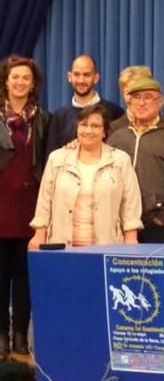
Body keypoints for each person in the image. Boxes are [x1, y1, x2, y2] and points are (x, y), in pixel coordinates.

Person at [30, 103, 141, 250]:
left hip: (107, 246)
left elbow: (130, 203)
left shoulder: (121, 160)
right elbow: (45, 200)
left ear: (104, 132)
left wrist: (131, 237)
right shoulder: (57, 159)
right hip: (62, 246)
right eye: (83, 125)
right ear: (77, 129)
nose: (88, 130)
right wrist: (39, 234)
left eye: (95, 126)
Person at [0, 56, 49, 359]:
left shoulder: (43, 118)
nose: (20, 83)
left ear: (33, 84)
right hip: (0, 206)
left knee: (25, 276)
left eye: (26, 78)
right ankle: (0, 335)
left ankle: (20, 334)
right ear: (5, 81)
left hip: (31, 209)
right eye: (15, 77)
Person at [107, 77, 164, 244]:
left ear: (160, 101)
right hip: (117, 222)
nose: (141, 103)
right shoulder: (117, 136)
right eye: (136, 98)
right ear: (129, 102)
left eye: (147, 97)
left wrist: (163, 217)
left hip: (156, 225)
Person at [44, 55, 124, 154]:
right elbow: (51, 156)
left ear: (96, 78)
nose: (81, 80)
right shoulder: (59, 116)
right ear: (69, 77)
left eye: (86, 75)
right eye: (76, 74)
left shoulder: (114, 112)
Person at [110, 65, 153, 135]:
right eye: (129, 93)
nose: (134, 99)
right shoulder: (113, 129)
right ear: (122, 93)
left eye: (137, 93)